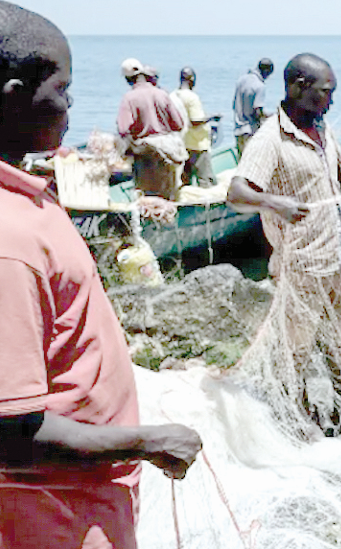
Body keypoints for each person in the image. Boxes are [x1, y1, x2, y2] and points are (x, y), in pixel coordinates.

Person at [0, 3, 202, 548]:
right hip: (53, 512)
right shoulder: (9, 241)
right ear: (13, 95)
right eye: (63, 89)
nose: (70, 104)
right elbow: (12, 432)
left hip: (80, 498)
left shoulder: (23, 200)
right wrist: (143, 440)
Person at [227, 53, 341, 437]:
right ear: (299, 88)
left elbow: (338, 170)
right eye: (327, 92)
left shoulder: (322, 129)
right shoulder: (270, 139)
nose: (332, 100)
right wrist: (274, 203)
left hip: (337, 262)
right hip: (301, 268)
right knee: (298, 351)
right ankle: (298, 416)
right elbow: (236, 193)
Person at [117, 60, 187, 200]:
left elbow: (123, 128)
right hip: (168, 153)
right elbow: (178, 124)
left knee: (148, 199)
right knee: (169, 196)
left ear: (127, 79)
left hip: (145, 156)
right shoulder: (162, 94)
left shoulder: (129, 98)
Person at [171, 66, 222, 187]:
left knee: (184, 180)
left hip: (181, 144)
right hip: (197, 145)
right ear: (192, 79)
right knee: (205, 180)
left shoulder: (173, 96)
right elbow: (195, 121)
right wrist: (212, 117)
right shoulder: (192, 97)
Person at [233, 57, 274, 154]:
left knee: (242, 164)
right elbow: (257, 111)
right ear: (267, 71)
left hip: (238, 130)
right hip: (250, 132)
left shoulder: (241, 80)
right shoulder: (259, 86)